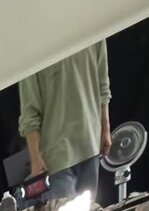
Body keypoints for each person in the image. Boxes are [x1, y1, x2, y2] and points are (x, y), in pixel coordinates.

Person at [18, 40, 112, 202]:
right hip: (56, 158)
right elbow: (29, 111)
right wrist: (35, 159)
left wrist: (106, 129)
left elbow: (102, 84)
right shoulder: (31, 44)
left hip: (90, 145)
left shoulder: (93, 30)